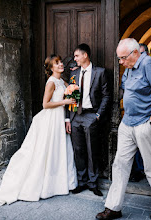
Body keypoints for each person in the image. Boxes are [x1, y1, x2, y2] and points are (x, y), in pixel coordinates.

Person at [0, 54, 77, 205]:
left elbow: (70, 93)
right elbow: (45, 104)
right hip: (50, 119)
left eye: (60, 62)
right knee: (46, 150)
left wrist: (68, 111)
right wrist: (64, 101)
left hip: (59, 118)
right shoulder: (51, 82)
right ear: (51, 68)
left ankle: (59, 184)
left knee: (58, 149)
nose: (60, 64)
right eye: (57, 63)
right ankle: (43, 185)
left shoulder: (62, 81)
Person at [96, 38, 151, 220]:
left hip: (145, 123)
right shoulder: (129, 68)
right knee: (120, 164)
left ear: (135, 53)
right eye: (119, 58)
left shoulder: (148, 64)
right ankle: (113, 207)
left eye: (123, 58)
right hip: (127, 123)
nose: (120, 62)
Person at [65, 43, 110, 197]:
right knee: (78, 151)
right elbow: (69, 96)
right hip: (76, 116)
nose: (74, 59)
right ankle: (81, 182)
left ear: (85, 55)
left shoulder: (100, 72)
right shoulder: (75, 74)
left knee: (92, 151)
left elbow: (106, 96)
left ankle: (93, 183)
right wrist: (68, 118)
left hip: (91, 116)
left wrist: (98, 115)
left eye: (77, 55)